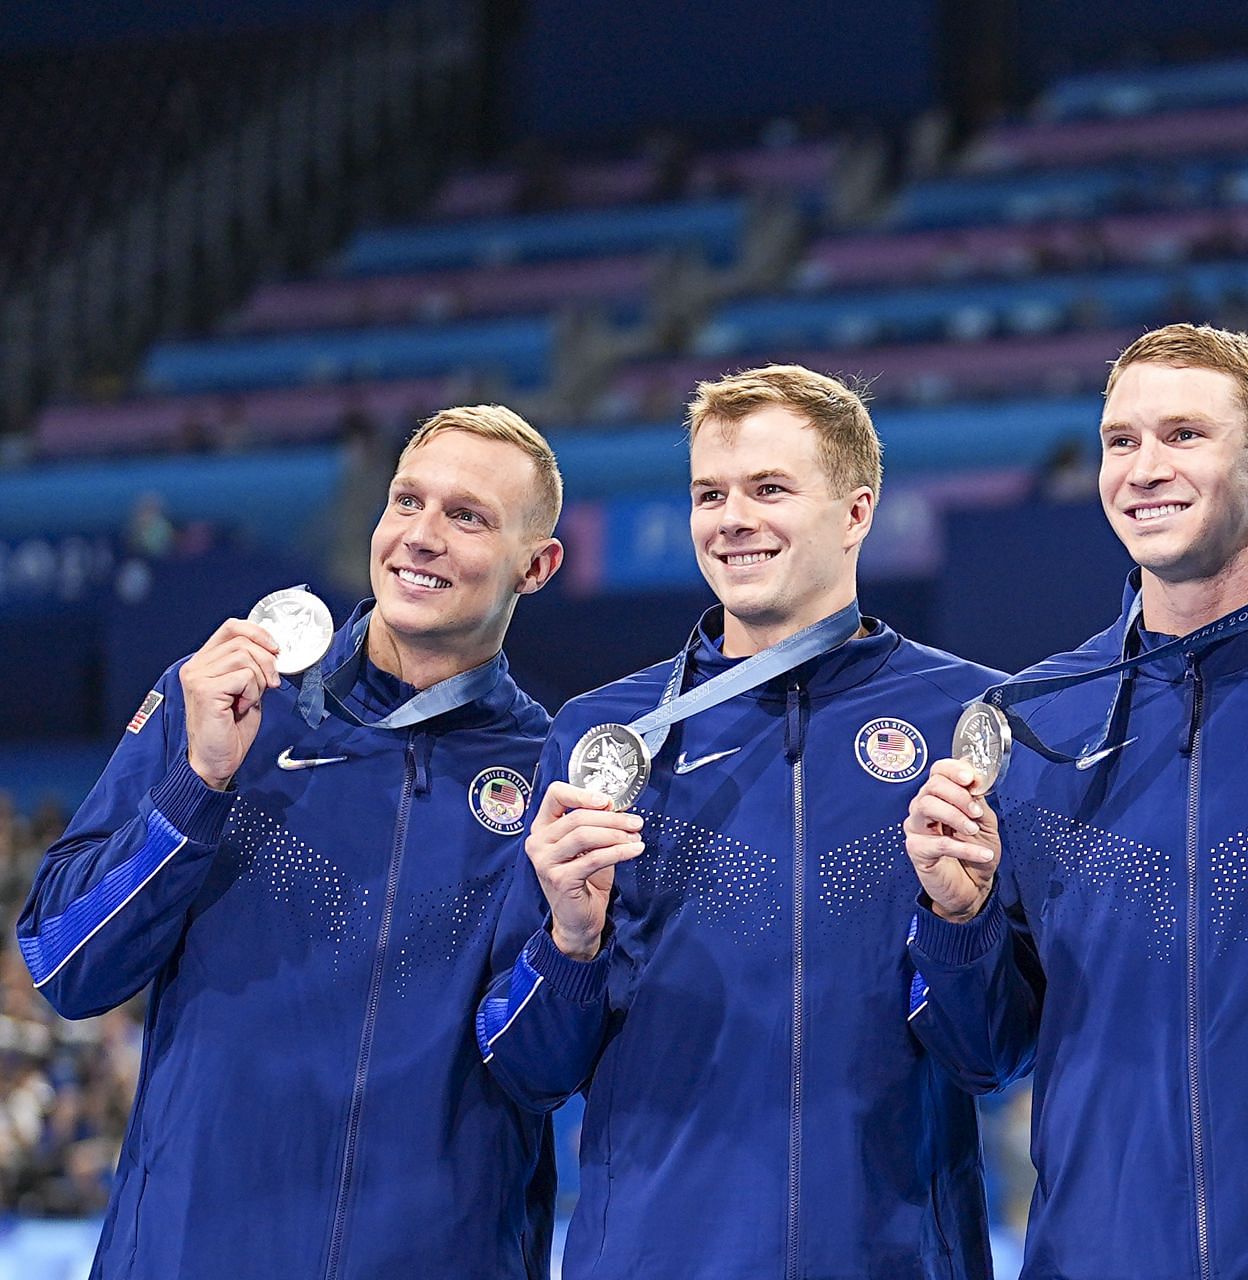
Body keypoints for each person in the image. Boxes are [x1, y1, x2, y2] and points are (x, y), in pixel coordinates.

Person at [902, 324, 1248, 1277]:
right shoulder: (1030, 721)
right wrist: (957, 919)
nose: (1143, 468)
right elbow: (985, 1057)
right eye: (1120, 441)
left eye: (1184, 436)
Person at [17, 405, 565, 1278]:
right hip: (194, 1253)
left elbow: (547, 1067)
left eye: (467, 516)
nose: (420, 536)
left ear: (535, 567)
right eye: (406, 502)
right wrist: (196, 784)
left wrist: (574, 940)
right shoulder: (228, 700)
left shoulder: (553, 776)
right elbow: (62, 964)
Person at [477, 365, 998, 1278]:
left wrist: (962, 926)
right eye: (708, 494)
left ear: (856, 511)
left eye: (769, 490)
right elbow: (528, 1070)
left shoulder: (966, 721)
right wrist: (568, 939)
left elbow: (997, 1051)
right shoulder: (605, 739)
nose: (731, 519)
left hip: (891, 1258)